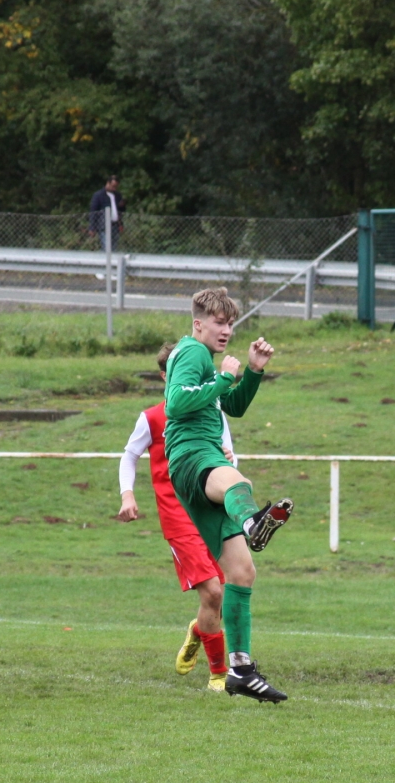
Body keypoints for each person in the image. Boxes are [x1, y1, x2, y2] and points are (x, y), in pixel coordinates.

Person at [163, 288, 291, 701]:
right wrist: (223, 377)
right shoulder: (191, 351)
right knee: (240, 484)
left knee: (241, 572)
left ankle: (241, 670)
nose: (226, 330)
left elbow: (230, 406)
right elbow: (174, 403)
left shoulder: (205, 357)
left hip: (200, 459)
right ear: (198, 323)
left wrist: (252, 371)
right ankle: (253, 522)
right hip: (192, 454)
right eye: (219, 322)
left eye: (230, 323)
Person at [118, 341, 235, 691]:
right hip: (178, 518)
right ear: (164, 376)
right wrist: (127, 494)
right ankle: (219, 675)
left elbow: (230, 458)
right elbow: (129, 455)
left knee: (220, 594)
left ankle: (199, 629)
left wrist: (228, 459)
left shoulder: (213, 411)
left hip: (209, 512)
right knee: (212, 592)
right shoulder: (153, 417)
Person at [88, 174, 123, 247]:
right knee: (107, 247)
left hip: (115, 226)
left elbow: (120, 211)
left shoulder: (118, 195)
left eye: (116, 187)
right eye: (113, 186)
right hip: (104, 226)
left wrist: (120, 224)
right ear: (108, 183)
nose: (114, 189)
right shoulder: (98, 195)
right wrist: (92, 227)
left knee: (114, 248)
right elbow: (93, 211)